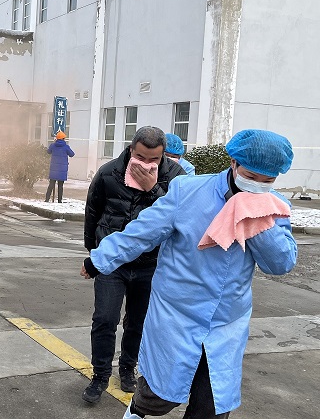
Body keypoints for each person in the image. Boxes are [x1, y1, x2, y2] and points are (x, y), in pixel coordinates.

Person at [81, 129, 297, 418]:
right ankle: (136, 411)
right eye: (251, 176)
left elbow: (280, 263)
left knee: (212, 406)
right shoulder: (188, 191)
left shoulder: (274, 208)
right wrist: (98, 260)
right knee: (158, 397)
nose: (257, 185)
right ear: (233, 163)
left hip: (226, 321)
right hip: (177, 315)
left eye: (267, 181)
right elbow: (142, 232)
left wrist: (256, 218)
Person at [82, 126, 185, 403]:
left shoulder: (176, 178)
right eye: (140, 157)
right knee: (104, 319)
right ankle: (100, 375)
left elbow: (180, 217)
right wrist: (95, 254)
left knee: (138, 322)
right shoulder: (109, 173)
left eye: (154, 159)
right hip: (113, 262)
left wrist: (153, 189)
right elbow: (93, 211)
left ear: (163, 155)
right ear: (131, 149)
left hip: (151, 264)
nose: (146, 164)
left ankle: (128, 367)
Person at [45, 131, 75, 203]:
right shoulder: (66, 147)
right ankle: (59, 200)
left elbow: (48, 152)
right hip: (62, 169)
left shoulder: (53, 145)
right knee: (60, 186)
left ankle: (47, 199)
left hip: (54, 168)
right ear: (63, 139)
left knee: (51, 185)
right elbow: (72, 154)